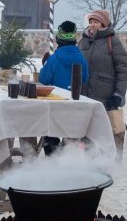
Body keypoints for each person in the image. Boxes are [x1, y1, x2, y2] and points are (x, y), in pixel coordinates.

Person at [78, 9, 127, 154]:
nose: (92, 25)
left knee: (103, 130)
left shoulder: (112, 41)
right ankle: (86, 161)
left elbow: (122, 70)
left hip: (105, 95)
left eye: (96, 22)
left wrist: (119, 94)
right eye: (90, 22)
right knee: (85, 129)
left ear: (104, 24)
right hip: (84, 93)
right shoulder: (83, 41)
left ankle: (105, 162)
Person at [38, 20, 89, 155]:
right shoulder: (82, 59)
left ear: (59, 40)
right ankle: (67, 158)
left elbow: (43, 79)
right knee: (71, 135)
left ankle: (52, 157)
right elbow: (84, 79)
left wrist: (45, 65)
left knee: (50, 133)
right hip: (75, 107)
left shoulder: (54, 59)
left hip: (55, 106)